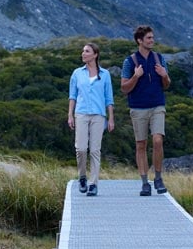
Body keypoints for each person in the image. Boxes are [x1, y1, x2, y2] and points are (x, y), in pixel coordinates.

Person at [120, 25, 170, 195]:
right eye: (149, 38)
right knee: (141, 144)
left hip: (157, 105)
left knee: (157, 140)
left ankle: (158, 177)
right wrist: (136, 76)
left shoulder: (159, 58)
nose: (152, 40)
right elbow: (124, 88)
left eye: (152, 37)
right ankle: (144, 182)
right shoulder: (129, 61)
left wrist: (164, 75)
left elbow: (167, 85)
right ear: (139, 41)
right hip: (138, 108)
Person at [67, 41, 114, 197]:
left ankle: (93, 184)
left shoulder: (105, 74)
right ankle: (82, 176)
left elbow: (109, 98)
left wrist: (111, 118)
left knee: (95, 150)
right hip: (81, 113)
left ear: (95, 54)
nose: (83, 53)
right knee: (80, 149)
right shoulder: (77, 73)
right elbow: (72, 96)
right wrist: (70, 115)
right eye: (83, 51)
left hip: (99, 115)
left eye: (87, 51)